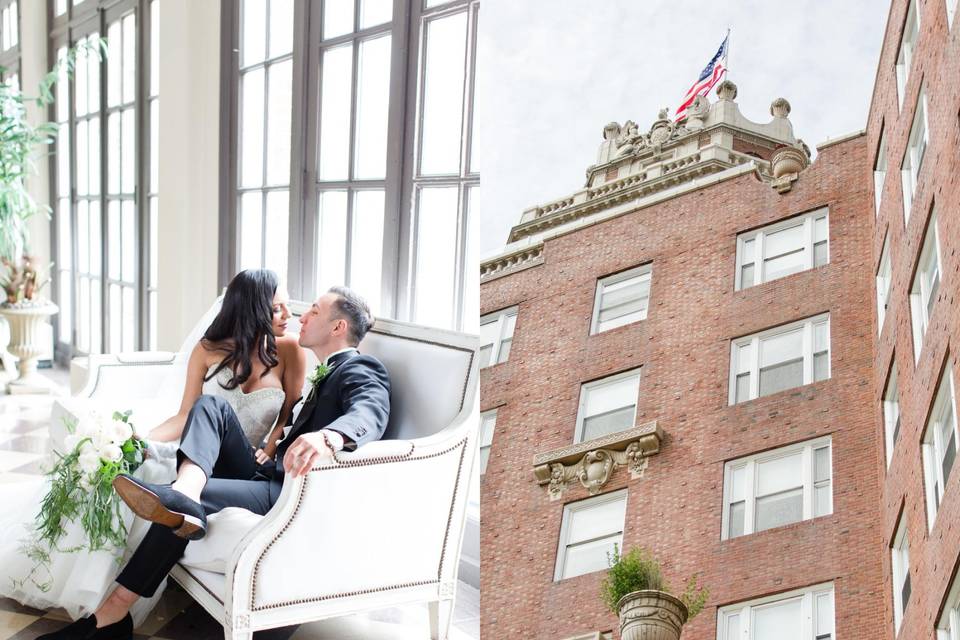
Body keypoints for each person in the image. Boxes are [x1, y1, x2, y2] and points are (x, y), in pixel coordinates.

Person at [37, 286, 391, 640]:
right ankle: (185, 489)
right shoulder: (321, 368)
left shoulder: (360, 367)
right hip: (265, 471)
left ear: (337, 327)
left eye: (314, 310)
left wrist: (329, 437)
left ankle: (111, 615)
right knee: (211, 407)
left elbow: (371, 409)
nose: (303, 316)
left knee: (177, 510)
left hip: (286, 490)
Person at [0, 269, 304, 628]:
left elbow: (292, 412)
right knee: (152, 458)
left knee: (195, 439)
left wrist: (272, 443)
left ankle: (180, 498)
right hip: (204, 454)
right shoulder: (208, 350)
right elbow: (185, 415)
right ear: (253, 310)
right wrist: (138, 438)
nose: (288, 316)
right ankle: (113, 603)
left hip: (246, 463)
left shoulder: (289, 350)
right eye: (278, 308)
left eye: (287, 308)